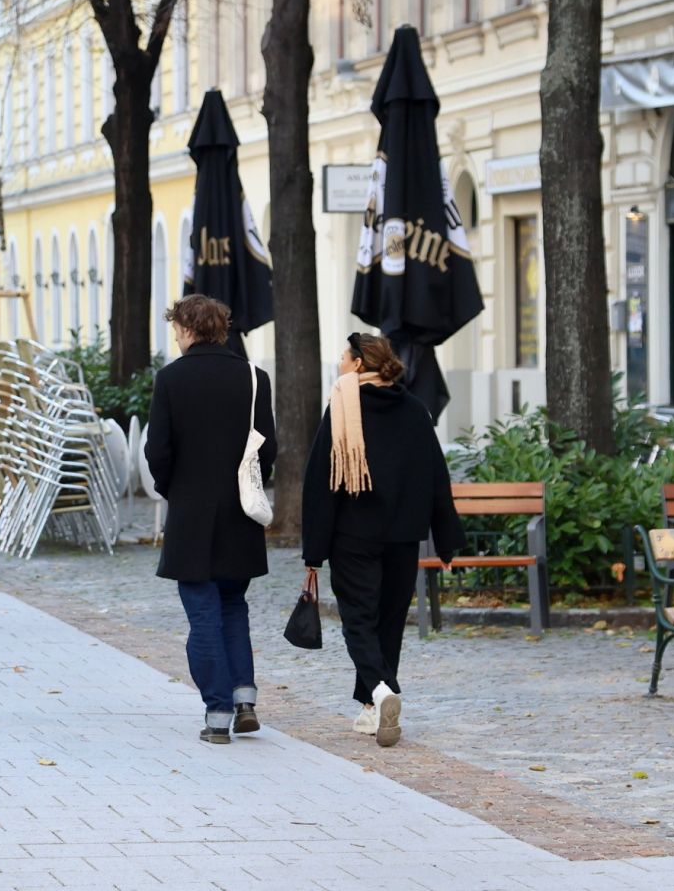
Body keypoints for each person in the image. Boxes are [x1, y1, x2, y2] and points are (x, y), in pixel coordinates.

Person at [301, 332, 463, 749]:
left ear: (358, 364)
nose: (339, 364)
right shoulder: (414, 409)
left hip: (354, 534)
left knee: (358, 619)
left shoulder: (341, 407)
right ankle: (373, 709)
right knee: (389, 622)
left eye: (343, 357)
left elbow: (320, 481)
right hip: (403, 535)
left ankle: (380, 690)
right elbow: (435, 474)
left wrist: (314, 551)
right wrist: (446, 539)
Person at [143, 294, 275, 745]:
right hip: (240, 513)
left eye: (177, 328)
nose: (176, 335)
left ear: (188, 329)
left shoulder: (171, 380)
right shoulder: (255, 378)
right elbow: (268, 450)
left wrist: (174, 490)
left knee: (202, 614)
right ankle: (245, 699)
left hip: (192, 514)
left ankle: (217, 713)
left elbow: (157, 450)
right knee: (234, 606)